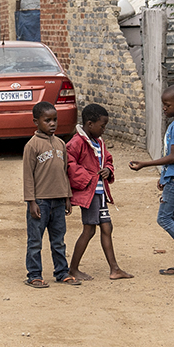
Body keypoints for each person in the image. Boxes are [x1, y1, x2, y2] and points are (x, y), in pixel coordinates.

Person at [128, 84, 174, 277]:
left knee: (164, 218)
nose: (164, 108)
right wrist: (163, 176)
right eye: (163, 104)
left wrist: (145, 163)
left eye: (168, 105)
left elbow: (173, 157)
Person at [66, 104, 129, 281]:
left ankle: (115, 269)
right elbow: (70, 166)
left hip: (99, 193)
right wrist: (90, 178)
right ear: (89, 123)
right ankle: (73, 269)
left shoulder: (99, 142)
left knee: (106, 227)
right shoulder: (77, 142)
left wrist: (108, 169)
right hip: (90, 193)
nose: (104, 129)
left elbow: (107, 159)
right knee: (89, 230)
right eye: (102, 126)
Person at [22, 102, 76, 288]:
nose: (52, 124)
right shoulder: (32, 145)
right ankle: (34, 275)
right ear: (36, 121)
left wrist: (67, 197)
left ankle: (62, 272)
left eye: (55, 120)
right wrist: (31, 202)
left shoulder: (61, 144)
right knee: (35, 240)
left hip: (59, 201)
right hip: (41, 202)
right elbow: (28, 176)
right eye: (47, 120)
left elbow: (64, 172)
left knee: (58, 240)